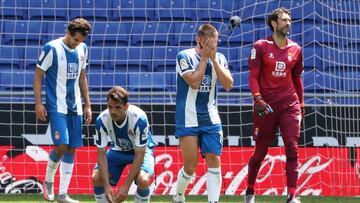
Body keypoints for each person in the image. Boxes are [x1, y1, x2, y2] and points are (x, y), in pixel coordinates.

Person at [244, 8, 304, 203]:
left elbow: (296, 78)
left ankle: (291, 196)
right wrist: (257, 97)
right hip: (265, 106)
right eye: (284, 20)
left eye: (289, 20)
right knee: (260, 152)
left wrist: (301, 104)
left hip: (289, 104)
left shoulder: (296, 48)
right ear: (273, 23)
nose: (288, 23)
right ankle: (250, 192)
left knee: (292, 147)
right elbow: (253, 75)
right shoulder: (261, 46)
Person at [172, 24, 233, 203]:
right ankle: (179, 196)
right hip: (188, 117)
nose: (211, 45)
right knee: (190, 166)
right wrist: (205, 59)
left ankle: (213, 201)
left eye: (214, 41)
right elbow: (194, 82)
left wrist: (213, 60)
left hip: (211, 117)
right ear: (198, 39)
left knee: (214, 158)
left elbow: (229, 85)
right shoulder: (184, 56)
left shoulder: (220, 58)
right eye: (207, 41)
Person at [33, 18, 92, 203]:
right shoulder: (51, 48)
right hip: (56, 106)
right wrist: (38, 103)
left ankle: (63, 194)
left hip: (75, 106)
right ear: (68, 32)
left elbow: (83, 77)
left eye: (80, 41)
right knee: (61, 146)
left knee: (72, 148)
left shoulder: (82, 49)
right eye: (75, 40)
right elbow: (38, 75)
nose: (77, 44)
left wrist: (88, 104)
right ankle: (48, 182)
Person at [92, 86, 156, 203]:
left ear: (126, 106)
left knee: (143, 180)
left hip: (141, 151)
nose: (113, 111)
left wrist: (126, 186)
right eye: (110, 107)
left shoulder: (139, 119)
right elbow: (101, 154)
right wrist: (106, 187)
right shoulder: (101, 120)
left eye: (118, 107)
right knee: (96, 178)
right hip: (118, 150)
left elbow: (139, 154)